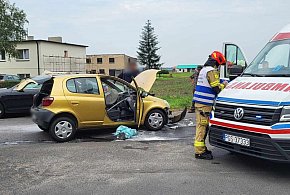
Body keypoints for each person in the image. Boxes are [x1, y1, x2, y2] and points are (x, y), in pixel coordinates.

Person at [193, 51, 228, 160]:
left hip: (200, 103)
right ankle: (199, 152)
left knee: (202, 126)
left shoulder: (204, 70)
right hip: (205, 104)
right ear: (216, 63)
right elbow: (216, 88)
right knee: (202, 127)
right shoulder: (211, 71)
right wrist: (224, 85)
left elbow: (209, 83)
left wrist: (220, 81)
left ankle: (201, 149)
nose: (218, 67)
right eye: (219, 65)